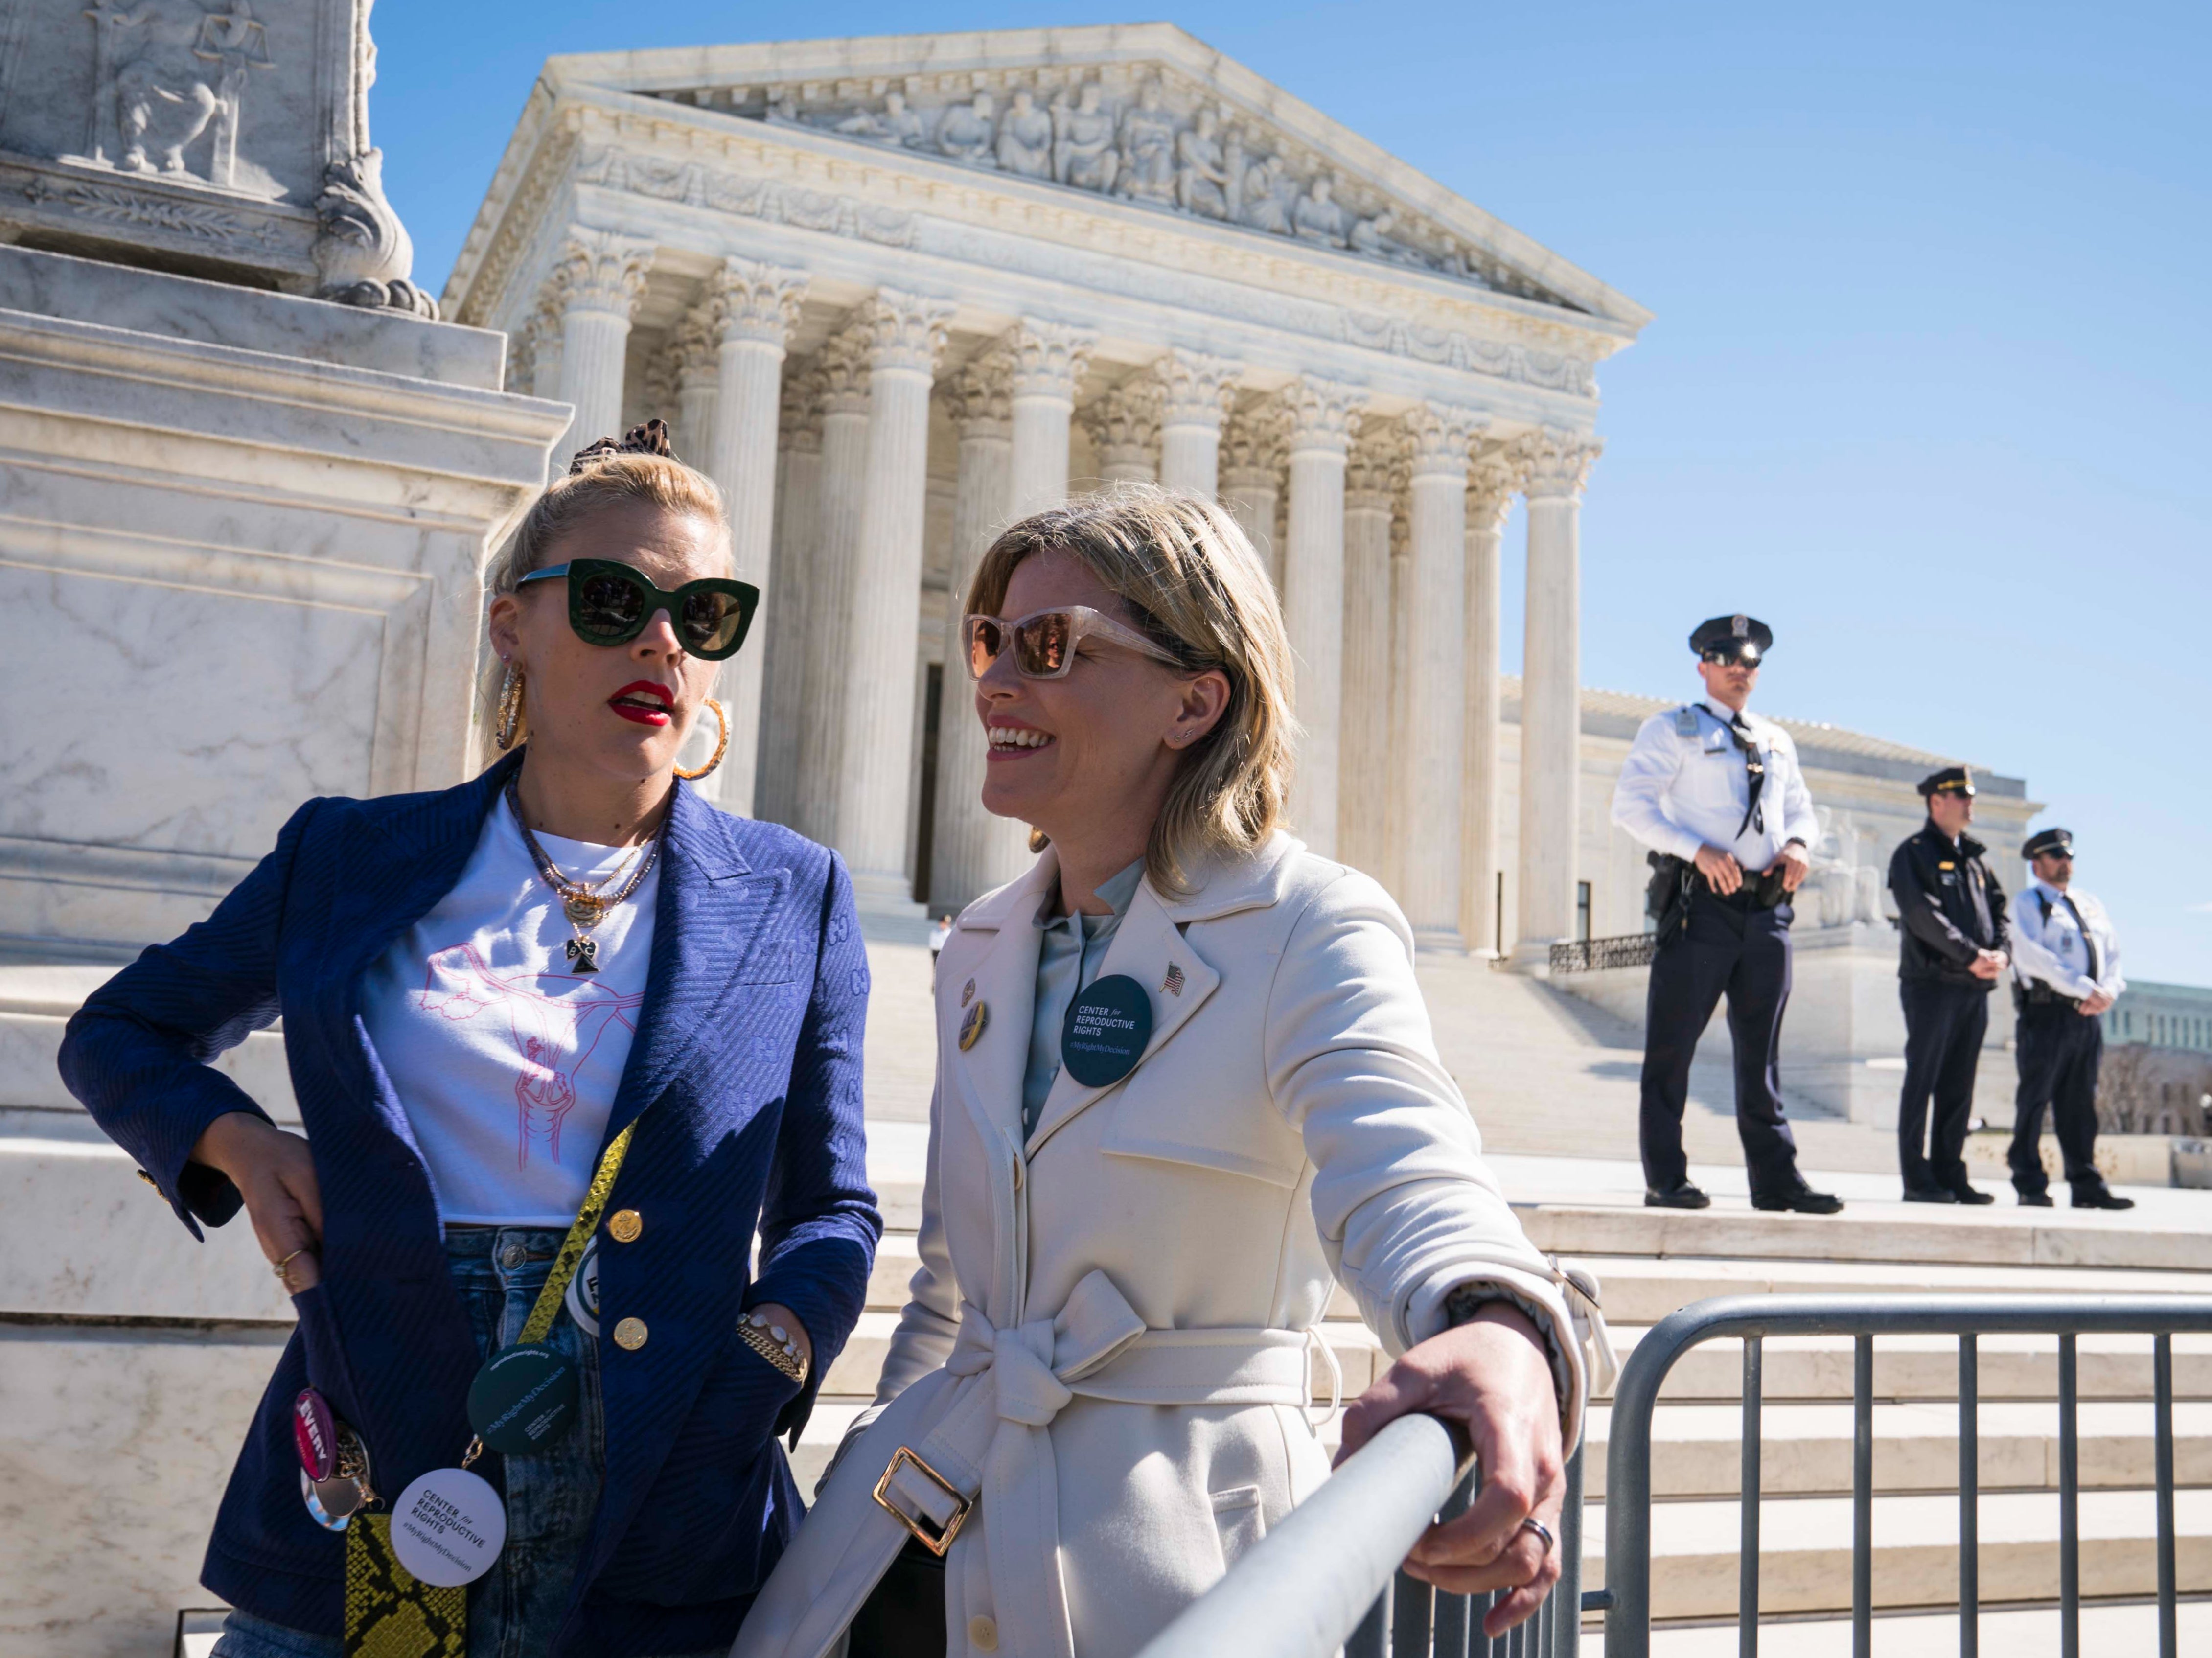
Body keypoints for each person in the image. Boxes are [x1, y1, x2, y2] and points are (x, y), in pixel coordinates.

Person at [740, 487, 1608, 1658]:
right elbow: (951, 1297)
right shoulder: (980, 944)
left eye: (1051, 647)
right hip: (917, 1555)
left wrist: (1498, 1323)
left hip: (1173, 1565)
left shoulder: (1308, 923)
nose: (998, 681)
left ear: (1195, 701)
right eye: (989, 640)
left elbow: (1407, 1173)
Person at [59, 423, 881, 1658]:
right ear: (513, 626)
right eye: (613, 601)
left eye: (702, 614)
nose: (660, 638)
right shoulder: (349, 857)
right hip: (378, 1482)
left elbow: (831, 1209)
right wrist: (235, 1141)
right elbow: (118, 1030)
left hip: (670, 1502)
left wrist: (767, 1357)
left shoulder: (793, 894)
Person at [1610, 615, 1843, 1214]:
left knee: (1760, 1053)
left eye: (1749, 664)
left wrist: (1798, 846)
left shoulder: (1775, 739)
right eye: (1728, 661)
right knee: (1671, 1048)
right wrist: (1696, 849)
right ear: (1702, 666)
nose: (1740, 672)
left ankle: (1775, 1180)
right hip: (1699, 907)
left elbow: (1801, 810)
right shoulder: (1670, 730)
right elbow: (1630, 807)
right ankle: (1665, 1177)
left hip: (1765, 910)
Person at [1887, 767, 2009, 1203]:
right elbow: (1922, 916)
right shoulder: (1913, 854)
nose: (1970, 804)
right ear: (1936, 801)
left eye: (1970, 797)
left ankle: (1950, 1173)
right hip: (1932, 985)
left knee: (1959, 1086)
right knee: (1924, 1080)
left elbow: (2000, 911)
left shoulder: (1978, 860)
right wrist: (1971, 956)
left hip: (1973, 990)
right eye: (1961, 797)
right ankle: (1917, 1179)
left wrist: (2001, 953)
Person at [2007, 827, 2131, 1209]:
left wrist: (2108, 990)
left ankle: (2086, 1184)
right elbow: (2032, 957)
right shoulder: (2027, 904)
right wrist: (2083, 987)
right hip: (2046, 1012)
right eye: (2056, 857)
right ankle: (2029, 1182)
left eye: (2069, 857)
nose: (2065, 863)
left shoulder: (2090, 903)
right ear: (2037, 864)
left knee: (2080, 1104)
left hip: (2087, 1017)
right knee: (2035, 1099)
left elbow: (2112, 953)